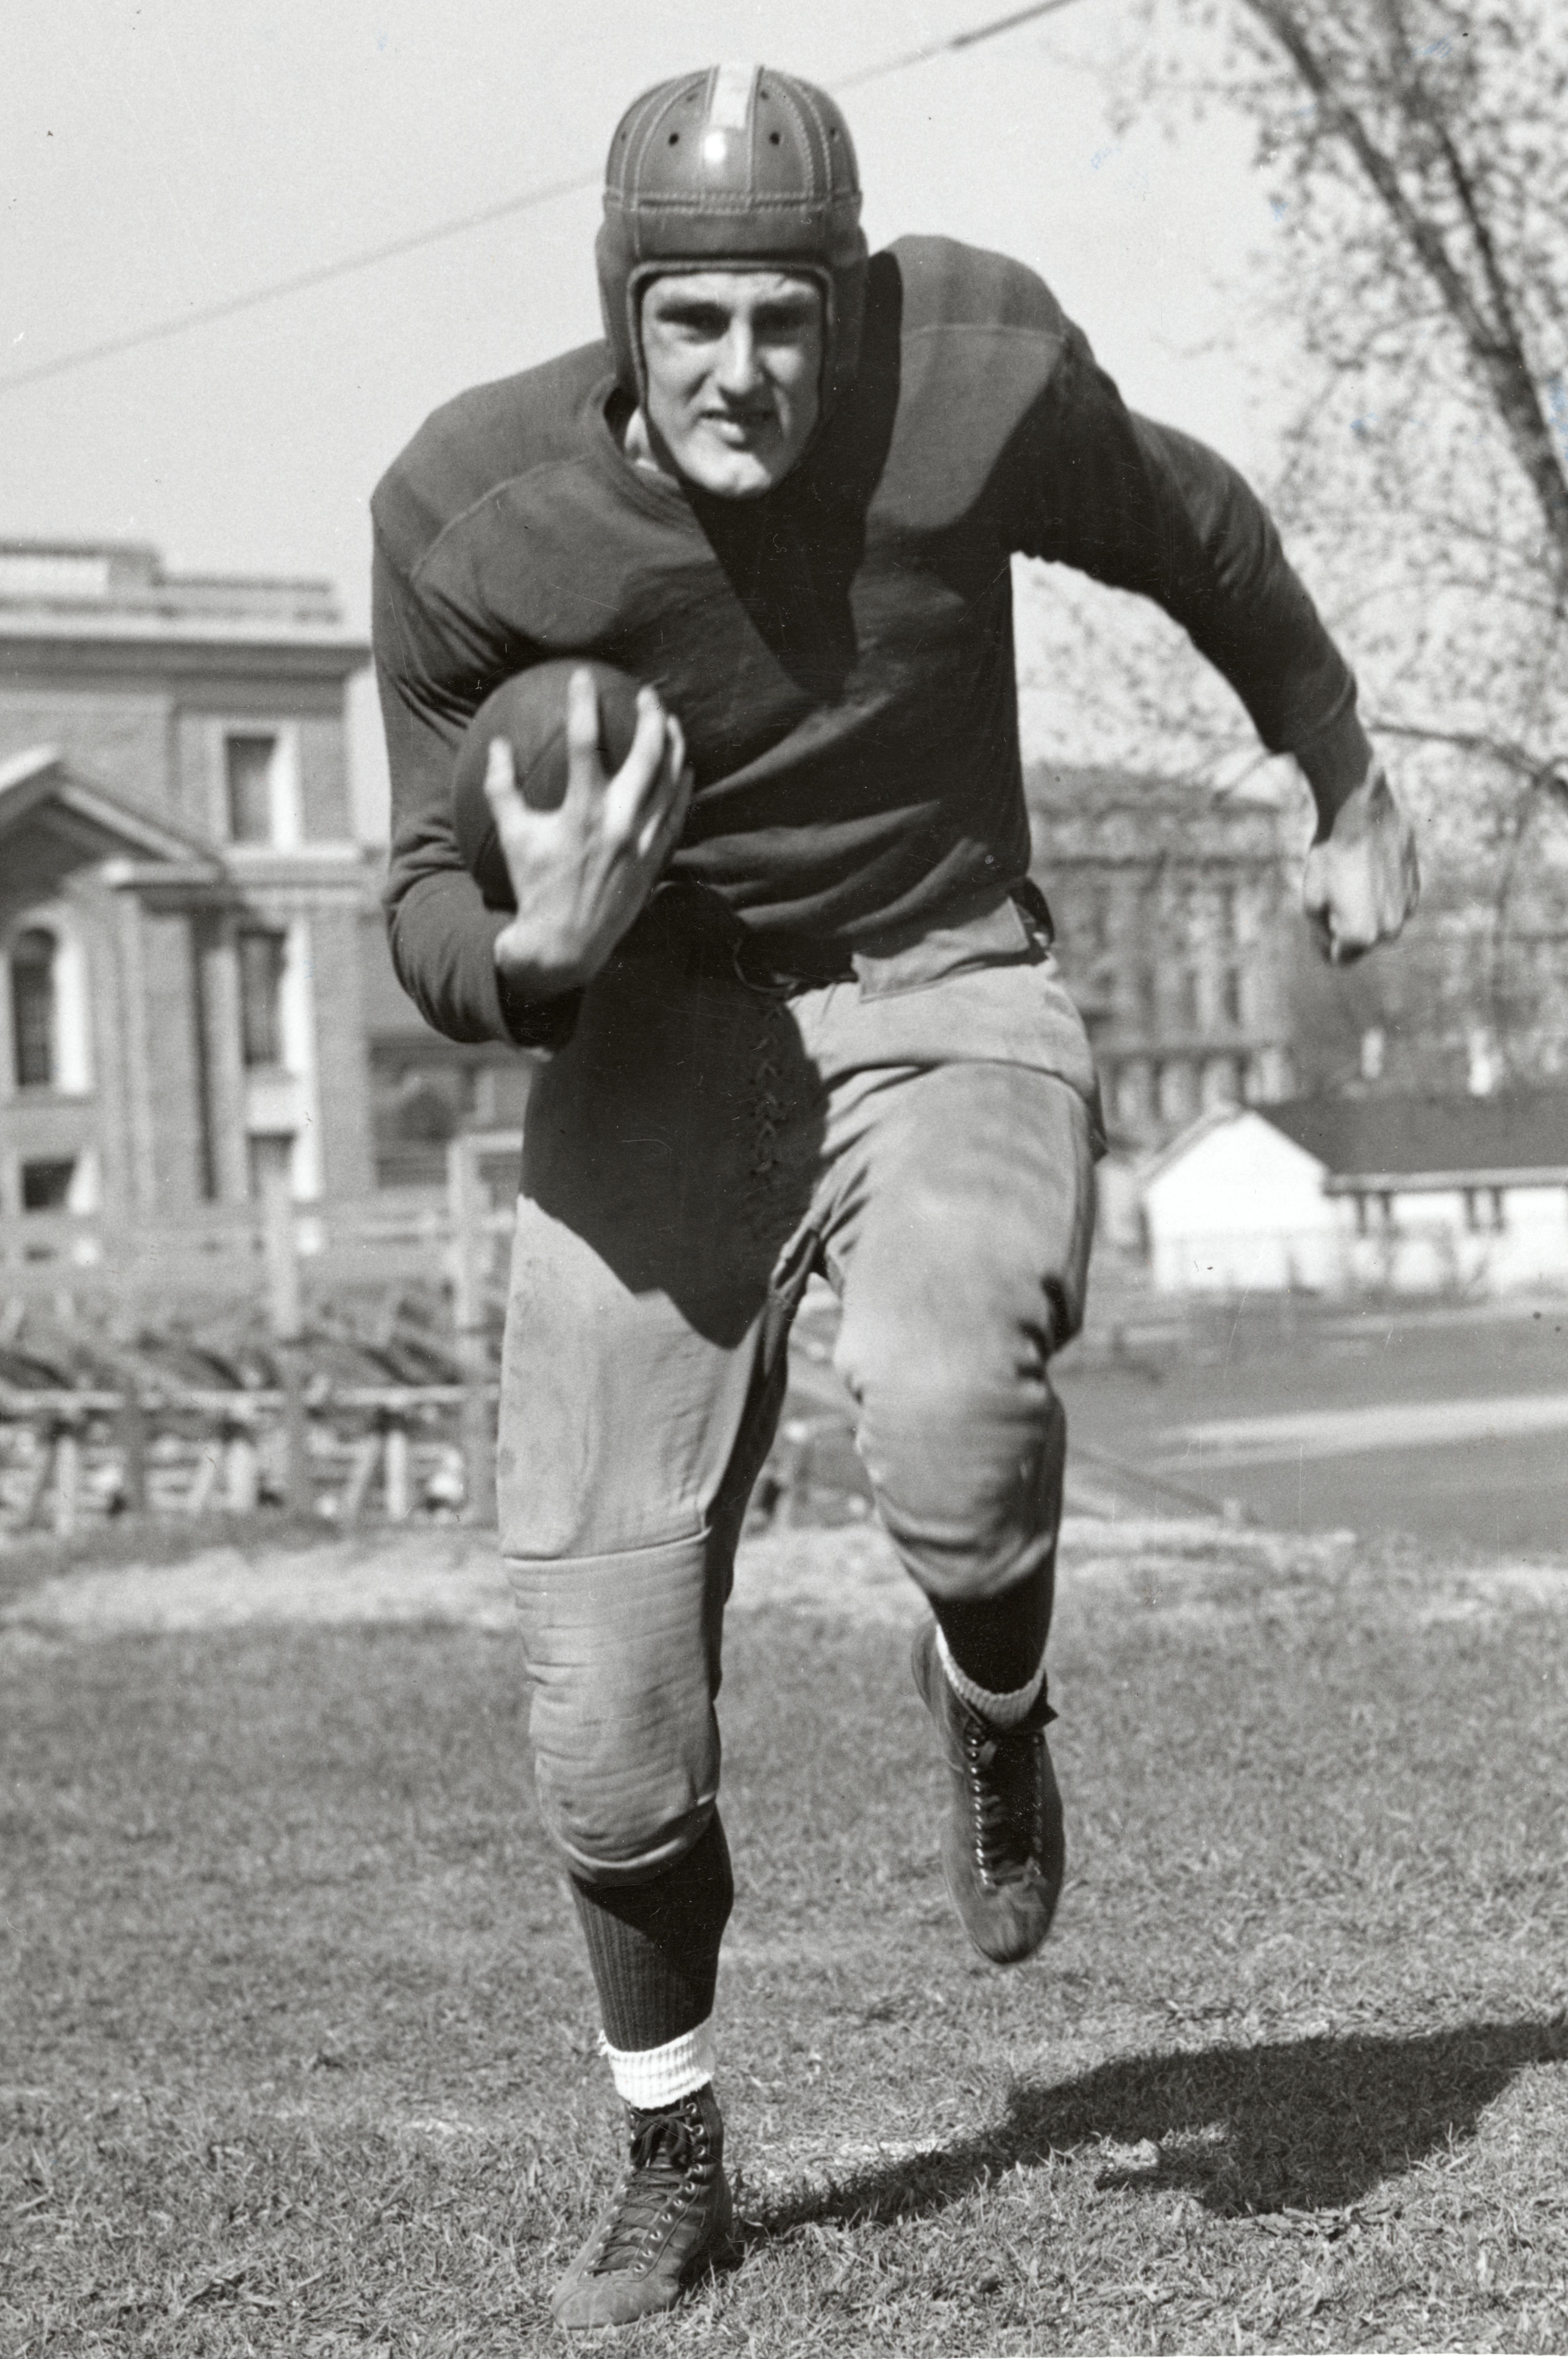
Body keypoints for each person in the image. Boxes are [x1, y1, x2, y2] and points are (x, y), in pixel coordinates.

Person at [372, 63, 1419, 2332]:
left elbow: (1195, 527)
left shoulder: (976, 375)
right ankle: (673, 2148)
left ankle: (998, 1701)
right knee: (607, 1688)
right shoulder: (476, 516)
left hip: (945, 979)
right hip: (651, 1032)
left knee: (947, 1404)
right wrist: (533, 950)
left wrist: (1337, 767)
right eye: (694, 325)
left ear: (841, 305)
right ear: (623, 323)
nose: (744, 371)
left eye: (783, 317)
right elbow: (421, 904)